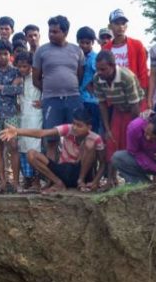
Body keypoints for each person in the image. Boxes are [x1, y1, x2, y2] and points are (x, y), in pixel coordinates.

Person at [0, 107, 106, 193]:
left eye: (79, 125)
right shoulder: (68, 129)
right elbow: (42, 133)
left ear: (89, 127)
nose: (74, 127)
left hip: (83, 172)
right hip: (63, 170)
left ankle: (81, 180)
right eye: (74, 123)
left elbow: (103, 163)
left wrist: (95, 181)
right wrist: (17, 131)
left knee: (89, 144)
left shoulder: (96, 138)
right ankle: (58, 183)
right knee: (31, 154)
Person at [33, 15, 84, 160]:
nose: (51, 34)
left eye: (55, 32)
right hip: (51, 101)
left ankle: (76, 176)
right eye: (50, 31)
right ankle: (52, 179)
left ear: (65, 32)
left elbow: (79, 75)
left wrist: (68, 88)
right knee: (51, 140)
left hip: (73, 99)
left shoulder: (76, 51)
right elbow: (36, 79)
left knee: (76, 138)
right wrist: (51, 90)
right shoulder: (41, 51)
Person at [92, 51, 143, 186]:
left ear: (113, 66)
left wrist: (134, 128)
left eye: (103, 69)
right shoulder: (97, 78)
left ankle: (131, 180)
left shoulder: (127, 77)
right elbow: (102, 104)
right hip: (117, 109)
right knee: (111, 143)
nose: (100, 72)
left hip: (134, 109)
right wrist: (107, 128)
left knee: (129, 143)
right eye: (98, 69)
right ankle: (111, 179)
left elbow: (134, 105)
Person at [0, 39, 23, 193]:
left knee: (13, 147)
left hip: (11, 114)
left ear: (10, 55)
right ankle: (2, 182)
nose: (2, 57)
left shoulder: (16, 71)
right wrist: (9, 88)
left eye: (5, 54)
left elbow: (18, 90)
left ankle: (15, 182)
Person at [102, 9, 149, 106]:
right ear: (110, 26)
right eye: (117, 23)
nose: (120, 27)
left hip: (134, 96)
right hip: (115, 99)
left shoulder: (137, 45)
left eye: (123, 23)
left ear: (126, 26)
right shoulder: (106, 49)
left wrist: (142, 99)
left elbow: (143, 73)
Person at [16, 51, 43, 192]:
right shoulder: (19, 80)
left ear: (31, 66)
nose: (22, 69)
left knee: (35, 146)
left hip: (35, 116)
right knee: (23, 146)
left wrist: (43, 102)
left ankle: (37, 180)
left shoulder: (37, 78)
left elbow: (45, 91)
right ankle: (27, 178)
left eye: (25, 66)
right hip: (23, 117)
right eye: (19, 67)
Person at [76, 26, 101, 134]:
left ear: (92, 43)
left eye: (88, 43)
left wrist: (90, 87)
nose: (84, 45)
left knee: (92, 131)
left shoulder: (95, 58)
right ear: (78, 42)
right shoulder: (75, 56)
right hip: (79, 99)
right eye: (82, 42)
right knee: (79, 130)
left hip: (92, 101)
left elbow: (100, 76)